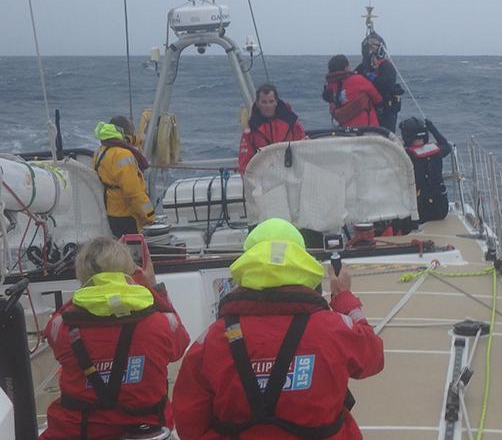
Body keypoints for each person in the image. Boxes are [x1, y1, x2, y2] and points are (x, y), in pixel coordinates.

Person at [172, 218, 384, 439]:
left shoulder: (212, 339)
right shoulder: (334, 329)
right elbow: (373, 358)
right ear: (301, 264)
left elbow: (189, 420)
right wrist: (344, 299)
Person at [40, 237, 190, 440]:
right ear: (130, 272)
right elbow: (180, 344)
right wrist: (153, 287)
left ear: (83, 274)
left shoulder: (62, 325)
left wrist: (85, 294)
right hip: (146, 431)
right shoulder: (161, 322)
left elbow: (54, 334)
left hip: (77, 432)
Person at [94, 116, 156, 238]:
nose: (134, 134)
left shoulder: (102, 150)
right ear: (124, 133)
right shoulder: (123, 154)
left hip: (113, 212)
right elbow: (133, 192)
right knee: (133, 253)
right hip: (128, 216)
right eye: (132, 131)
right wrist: (149, 215)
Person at [239, 84, 306, 175]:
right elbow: (245, 164)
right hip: (264, 178)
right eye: (264, 102)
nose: (268, 106)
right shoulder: (251, 130)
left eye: (271, 101)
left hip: (291, 174)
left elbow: (303, 148)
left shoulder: (292, 123)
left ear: (276, 102)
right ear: (258, 104)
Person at [400, 117, 452, 222]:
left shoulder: (405, 155)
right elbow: (446, 145)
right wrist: (432, 128)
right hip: (441, 210)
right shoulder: (436, 151)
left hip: (420, 212)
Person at [355, 32, 403, 132]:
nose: (370, 48)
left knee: (385, 135)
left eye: (373, 45)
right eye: (368, 45)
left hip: (386, 108)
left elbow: (387, 84)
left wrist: (370, 76)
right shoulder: (364, 67)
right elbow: (352, 78)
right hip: (368, 109)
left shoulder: (386, 66)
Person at [322, 54, 383, 128]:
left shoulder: (329, 87)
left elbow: (333, 110)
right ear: (346, 67)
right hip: (367, 128)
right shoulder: (358, 79)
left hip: (344, 131)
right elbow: (377, 98)